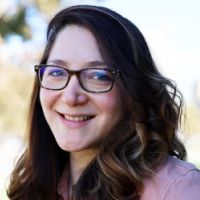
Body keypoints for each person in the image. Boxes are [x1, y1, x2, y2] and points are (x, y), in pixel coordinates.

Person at [7, 5, 200, 200]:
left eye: (98, 76)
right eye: (56, 72)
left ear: (134, 92)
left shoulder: (177, 189)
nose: (70, 97)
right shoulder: (35, 185)